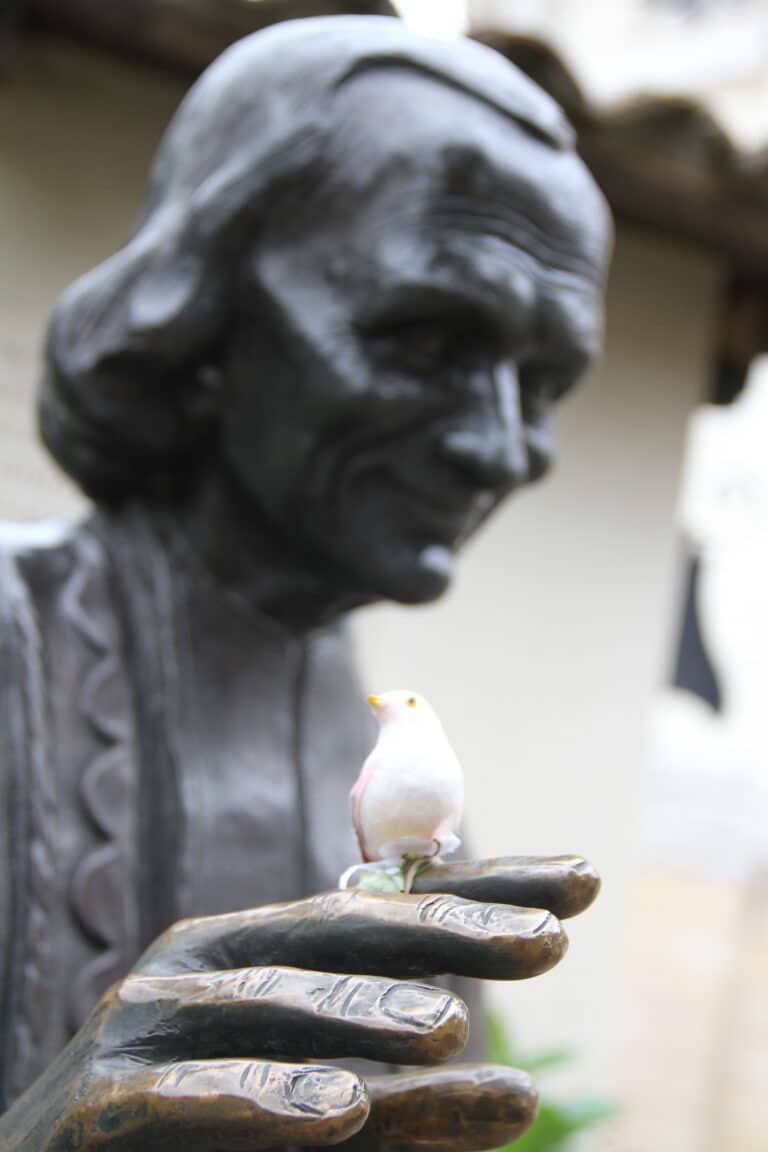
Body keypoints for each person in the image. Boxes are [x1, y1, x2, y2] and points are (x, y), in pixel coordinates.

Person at [0, 15, 611, 1150]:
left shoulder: (407, 796)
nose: (499, 446)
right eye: (425, 338)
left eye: (545, 382)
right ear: (205, 302)